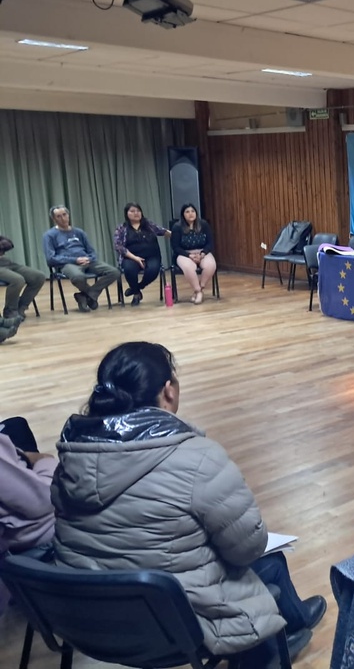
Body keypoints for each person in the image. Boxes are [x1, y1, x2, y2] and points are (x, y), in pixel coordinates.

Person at [50, 342, 326, 666]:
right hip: (170, 624)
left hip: (86, 616)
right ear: (169, 390)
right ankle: (276, 640)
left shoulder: (71, 454)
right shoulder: (198, 458)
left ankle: (292, 624)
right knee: (269, 560)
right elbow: (247, 549)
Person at [42, 205, 120, 313]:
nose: (63, 218)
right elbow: (51, 258)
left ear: (68, 215)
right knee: (78, 277)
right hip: (68, 264)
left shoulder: (79, 232)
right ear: (54, 219)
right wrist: (75, 260)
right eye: (59, 216)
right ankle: (89, 295)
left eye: (64, 215)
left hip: (87, 261)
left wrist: (89, 258)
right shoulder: (49, 235)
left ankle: (85, 296)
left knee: (114, 272)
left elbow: (91, 251)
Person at [0, 416, 56, 557]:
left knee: (16, 425)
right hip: (34, 538)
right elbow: (45, 501)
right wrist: (46, 462)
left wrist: (21, 456)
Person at [113, 202, 170, 307]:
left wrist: (175, 234)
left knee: (153, 270)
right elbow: (118, 246)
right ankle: (136, 294)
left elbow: (162, 231)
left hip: (152, 256)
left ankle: (137, 288)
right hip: (131, 257)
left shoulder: (148, 225)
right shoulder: (122, 228)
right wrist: (136, 258)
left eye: (138, 211)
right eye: (132, 211)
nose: (136, 213)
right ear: (126, 214)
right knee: (129, 269)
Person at [171, 204, 216, 305]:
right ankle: (198, 291)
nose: (190, 214)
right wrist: (189, 255)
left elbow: (210, 243)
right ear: (183, 214)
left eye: (192, 211)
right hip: (184, 253)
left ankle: (200, 289)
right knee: (188, 267)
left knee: (211, 265)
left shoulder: (203, 224)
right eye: (187, 212)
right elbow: (175, 247)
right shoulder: (177, 227)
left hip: (202, 252)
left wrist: (203, 254)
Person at [0, 233, 45, 321]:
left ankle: (21, 307)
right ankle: (10, 310)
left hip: (6, 262)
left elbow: (9, 244)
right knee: (17, 280)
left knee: (38, 277)